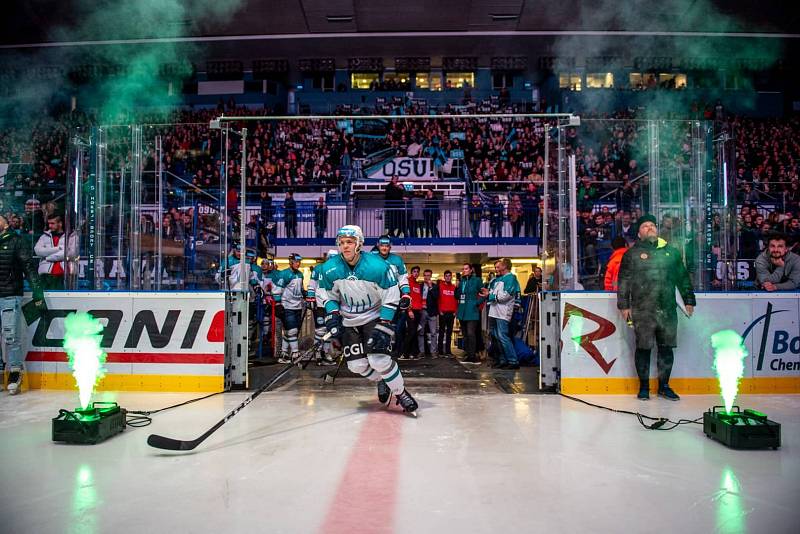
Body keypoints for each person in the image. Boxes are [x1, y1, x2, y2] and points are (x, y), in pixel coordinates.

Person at [317, 225, 418, 414]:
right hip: (348, 320)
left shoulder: (378, 266)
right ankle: (382, 381)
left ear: (359, 244)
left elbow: (391, 294)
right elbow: (326, 294)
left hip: (374, 316)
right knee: (356, 366)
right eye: (342, 242)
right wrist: (332, 314)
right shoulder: (329, 268)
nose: (345, 246)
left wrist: (385, 323)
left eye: (350, 242)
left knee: (379, 360)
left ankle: (401, 393)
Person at [617, 214, 696, 401]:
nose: (650, 228)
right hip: (642, 309)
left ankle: (664, 386)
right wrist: (623, 305)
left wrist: (689, 300)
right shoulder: (632, 254)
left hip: (667, 308)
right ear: (639, 233)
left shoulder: (672, 252)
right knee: (643, 347)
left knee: (666, 348)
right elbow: (623, 280)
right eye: (645, 226)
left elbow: (682, 277)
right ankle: (644, 387)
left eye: (652, 225)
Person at [0, 214, 45, 394]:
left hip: (10, 295)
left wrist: (37, 291)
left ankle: (15, 372)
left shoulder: (16, 241)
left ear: (5, 223)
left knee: (11, 336)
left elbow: (28, 266)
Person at [480, 258, 521, 369]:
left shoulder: (511, 278)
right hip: (494, 311)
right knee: (496, 336)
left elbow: (505, 295)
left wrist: (491, 296)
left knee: (503, 336)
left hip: (503, 312)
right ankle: (503, 359)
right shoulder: (498, 279)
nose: (496, 268)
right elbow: (494, 293)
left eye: (499, 266)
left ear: (505, 266)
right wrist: (488, 293)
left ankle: (513, 361)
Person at [271, 253, 305, 363]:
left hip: (298, 306)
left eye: (299, 261)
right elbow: (277, 289)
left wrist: (306, 295)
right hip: (287, 306)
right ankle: (295, 353)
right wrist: (277, 304)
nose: (298, 263)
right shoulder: (284, 274)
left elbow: (300, 289)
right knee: (292, 331)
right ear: (290, 262)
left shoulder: (300, 274)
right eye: (296, 261)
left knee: (289, 332)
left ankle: (284, 354)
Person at [308, 251, 338, 365]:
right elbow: (312, 284)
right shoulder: (318, 268)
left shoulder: (339, 269)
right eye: (331, 258)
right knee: (320, 330)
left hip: (333, 304)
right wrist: (310, 297)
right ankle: (317, 352)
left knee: (330, 329)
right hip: (320, 304)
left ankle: (325, 352)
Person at [34, 214, 76, 290]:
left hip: (65, 273)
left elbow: (71, 253)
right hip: (46, 273)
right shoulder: (44, 236)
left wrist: (49, 258)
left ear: (60, 223)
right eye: (49, 223)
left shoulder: (71, 236)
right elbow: (38, 251)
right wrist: (58, 249)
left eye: (52, 223)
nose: (50, 226)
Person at [455, 263, 483, 364]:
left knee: (471, 334)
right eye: (463, 269)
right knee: (465, 335)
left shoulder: (477, 280)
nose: (464, 270)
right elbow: (457, 296)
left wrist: (476, 303)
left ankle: (472, 356)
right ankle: (468, 354)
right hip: (462, 311)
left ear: (471, 270)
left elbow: (484, 294)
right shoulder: (462, 281)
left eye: (466, 269)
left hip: (472, 311)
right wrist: (457, 287)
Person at [401, 266, 423, 359]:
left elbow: (418, 298)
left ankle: (413, 353)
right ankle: (404, 353)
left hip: (418, 311)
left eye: (417, 272)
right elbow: (405, 298)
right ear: (411, 272)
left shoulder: (417, 284)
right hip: (411, 311)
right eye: (414, 271)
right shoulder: (408, 282)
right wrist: (409, 310)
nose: (416, 273)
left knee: (414, 333)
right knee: (411, 332)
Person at [418, 269, 439, 357]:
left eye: (428, 275)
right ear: (423, 276)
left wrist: (430, 287)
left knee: (433, 333)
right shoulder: (419, 286)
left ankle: (433, 351)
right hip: (422, 311)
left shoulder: (435, 286)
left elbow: (436, 297)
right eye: (425, 275)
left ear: (431, 276)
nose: (427, 277)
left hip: (432, 312)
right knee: (421, 332)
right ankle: (421, 351)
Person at [437, 270, 457, 356]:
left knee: (449, 333)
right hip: (443, 313)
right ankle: (440, 351)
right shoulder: (440, 286)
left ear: (451, 277)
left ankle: (448, 351)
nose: (448, 277)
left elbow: (457, 300)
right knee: (441, 333)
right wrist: (439, 310)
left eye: (449, 276)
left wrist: (456, 312)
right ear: (444, 277)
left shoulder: (454, 287)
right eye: (446, 276)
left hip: (451, 313)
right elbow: (437, 299)